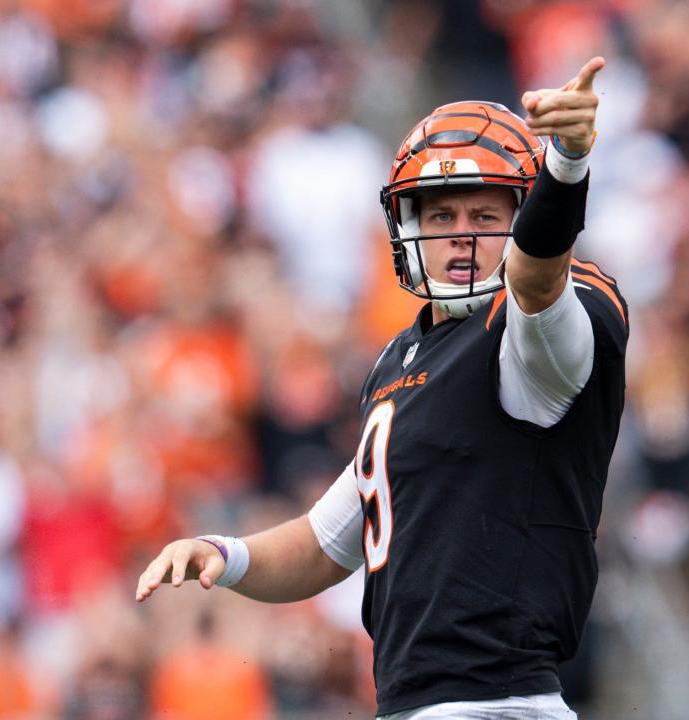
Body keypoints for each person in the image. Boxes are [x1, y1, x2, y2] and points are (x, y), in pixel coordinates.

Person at [136, 56, 627, 720]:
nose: (459, 235)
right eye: (440, 213)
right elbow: (323, 544)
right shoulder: (403, 357)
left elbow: (538, 279)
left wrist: (565, 167)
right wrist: (223, 553)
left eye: (483, 212)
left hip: (499, 702)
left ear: (524, 214)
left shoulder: (533, 329)